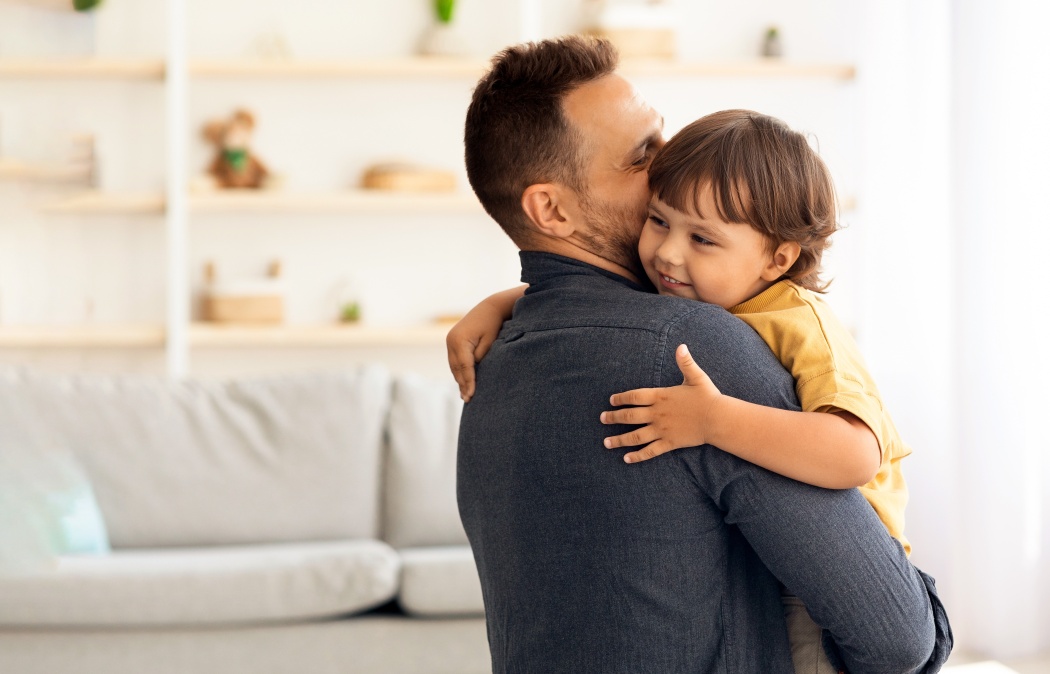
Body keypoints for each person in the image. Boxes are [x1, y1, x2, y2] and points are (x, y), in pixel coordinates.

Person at [455, 35, 950, 674]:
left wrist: (510, 301)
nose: (671, 165)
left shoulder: (488, 366)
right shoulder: (694, 353)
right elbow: (895, 639)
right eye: (643, 155)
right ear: (551, 208)